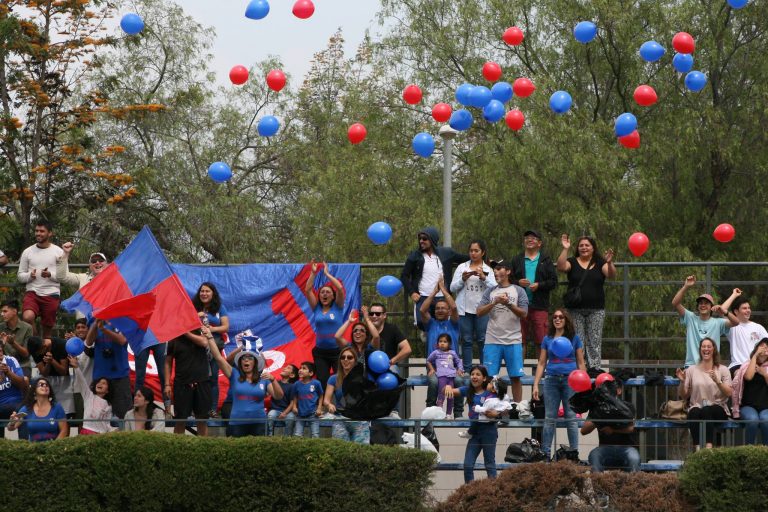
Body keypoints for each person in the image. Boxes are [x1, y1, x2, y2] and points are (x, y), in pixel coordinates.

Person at [532, 308, 587, 459]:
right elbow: (542, 363)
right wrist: (536, 384)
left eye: (561, 317)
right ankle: (545, 454)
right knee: (550, 417)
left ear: (566, 320)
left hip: (570, 380)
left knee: (571, 417)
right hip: (551, 380)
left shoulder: (574, 338)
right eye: (555, 317)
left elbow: (581, 363)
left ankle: (573, 454)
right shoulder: (547, 339)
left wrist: (585, 385)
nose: (557, 319)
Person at [556, 234, 616, 371]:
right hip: (575, 310)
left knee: (594, 342)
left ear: (593, 248)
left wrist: (609, 262)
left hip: (596, 310)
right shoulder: (572, 261)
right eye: (581, 245)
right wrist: (565, 249)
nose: (584, 248)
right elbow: (560, 267)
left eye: (587, 245)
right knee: (578, 342)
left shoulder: (600, 262)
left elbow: (611, 275)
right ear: (577, 248)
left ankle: (594, 369)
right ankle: (579, 370)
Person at [207, 335, 282, 437]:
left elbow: (278, 396)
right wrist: (210, 337)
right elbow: (218, 358)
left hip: (259, 423)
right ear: (240, 362)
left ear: (255, 362)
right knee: (236, 452)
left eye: (250, 358)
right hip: (237, 423)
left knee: (260, 452)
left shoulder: (264, 378)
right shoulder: (234, 374)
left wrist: (273, 380)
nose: (246, 360)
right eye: (243, 358)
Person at [476, 260, 528, 402]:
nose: (496, 271)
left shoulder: (519, 290)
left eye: (499, 268)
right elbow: (479, 312)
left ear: (508, 271)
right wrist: (494, 302)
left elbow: (524, 313)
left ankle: (517, 408)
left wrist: (508, 303)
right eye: (495, 269)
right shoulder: (490, 291)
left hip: (513, 341)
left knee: (515, 377)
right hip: (492, 340)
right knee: (490, 377)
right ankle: (491, 406)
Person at [401, 227, 468, 331]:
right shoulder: (414, 256)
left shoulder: (446, 253)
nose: (421, 241)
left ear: (432, 240)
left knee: (445, 326)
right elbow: (404, 276)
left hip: (442, 297)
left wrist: (485, 260)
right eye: (420, 239)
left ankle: (443, 345)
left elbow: (466, 258)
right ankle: (428, 337)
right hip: (423, 297)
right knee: (422, 323)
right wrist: (412, 292)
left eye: (424, 239)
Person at [444, 365, 500, 483]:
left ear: (484, 378)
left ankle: (494, 494)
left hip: (489, 431)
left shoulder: (491, 391)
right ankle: (470, 494)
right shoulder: (467, 390)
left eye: (478, 374)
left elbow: (504, 407)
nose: (474, 377)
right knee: (468, 465)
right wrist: (447, 386)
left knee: (489, 464)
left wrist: (495, 414)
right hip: (474, 432)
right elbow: (448, 391)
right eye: (472, 374)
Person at [676, 337, 733, 450]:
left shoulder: (723, 369)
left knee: (707, 410)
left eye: (709, 346)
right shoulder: (691, 370)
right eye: (703, 346)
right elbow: (684, 395)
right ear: (700, 350)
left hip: (718, 407)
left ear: (713, 350)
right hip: (697, 405)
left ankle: (708, 448)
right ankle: (697, 448)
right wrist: (682, 382)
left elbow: (729, 392)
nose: (706, 349)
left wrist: (718, 382)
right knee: (694, 412)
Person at [420, 276, 465, 417]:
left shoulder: (453, 324)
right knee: (433, 383)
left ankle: (457, 413)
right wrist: (434, 292)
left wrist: (444, 290)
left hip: (452, 368)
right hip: (434, 367)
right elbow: (422, 310)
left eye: (443, 308)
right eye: (437, 308)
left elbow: (454, 306)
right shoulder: (431, 323)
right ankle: (431, 412)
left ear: (448, 312)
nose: (439, 310)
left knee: (459, 381)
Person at [511, 230, 558, 360]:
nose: (530, 240)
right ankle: (518, 372)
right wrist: (518, 282)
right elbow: (509, 281)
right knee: (519, 340)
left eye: (533, 238)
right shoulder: (517, 259)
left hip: (540, 306)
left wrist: (539, 285)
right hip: (519, 306)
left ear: (539, 243)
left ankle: (542, 372)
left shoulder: (545, 260)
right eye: (527, 238)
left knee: (541, 341)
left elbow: (553, 282)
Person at [672, 276, 739, 367]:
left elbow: (736, 322)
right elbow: (675, 303)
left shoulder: (718, 322)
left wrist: (725, 312)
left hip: (712, 366)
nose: (703, 305)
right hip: (692, 366)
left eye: (706, 303)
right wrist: (686, 286)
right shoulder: (691, 318)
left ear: (711, 306)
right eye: (701, 303)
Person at [450, 239, 496, 369]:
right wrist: (462, 279)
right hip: (464, 310)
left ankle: (483, 369)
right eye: (471, 251)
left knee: (482, 340)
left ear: (483, 252)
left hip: (482, 310)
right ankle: (467, 369)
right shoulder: (462, 267)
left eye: (476, 251)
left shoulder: (488, 269)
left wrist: (484, 277)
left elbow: (495, 288)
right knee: (466, 340)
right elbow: (452, 287)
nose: (473, 253)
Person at [580, 380, 640, 472]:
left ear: (619, 390)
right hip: (605, 448)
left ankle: (633, 486)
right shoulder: (598, 407)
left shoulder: (627, 406)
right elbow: (584, 431)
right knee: (594, 455)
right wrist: (598, 414)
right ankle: (598, 485)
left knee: (634, 458)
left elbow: (631, 428)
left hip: (626, 448)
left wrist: (613, 430)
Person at [16, 220, 64, 337]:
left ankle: (44, 346)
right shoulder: (28, 252)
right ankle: (36, 341)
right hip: (33, 292)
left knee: (47, 329)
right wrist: (29, 276)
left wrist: (50, 275)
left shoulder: (59, 252)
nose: (38, 233)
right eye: (37, 231)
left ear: (50, 233)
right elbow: (20, 275)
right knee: (27, 317)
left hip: (51, 293)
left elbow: (64, 276)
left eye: (42, 231)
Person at [303, 261, 346, 387]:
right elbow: (308, 289)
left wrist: (327, 274)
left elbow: (339, 288)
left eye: (328, 292)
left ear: (333, 296)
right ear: (319, 296)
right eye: (322, 292)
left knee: (340, 380)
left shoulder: (338, 307)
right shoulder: (316, 308)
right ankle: (322, 405)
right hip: (320, 353)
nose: (325, 294)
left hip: (337, 351)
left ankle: (340, 404)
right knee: (322, 381)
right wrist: (313, 273)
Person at [191, 282, 229, 418]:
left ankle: (212, 409)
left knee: (213, 378)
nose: (204, 294)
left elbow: (225, 327)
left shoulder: (220, 308)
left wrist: (212, 329)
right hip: (196, 346)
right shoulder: (194, 307)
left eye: (207, 291)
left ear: (213, 294)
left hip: (215, 346)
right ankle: (195, 408)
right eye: (202, 291)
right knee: (196, 377)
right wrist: (197, 317)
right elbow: (186, 323)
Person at [165, 325, 211, 436]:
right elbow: (167, 362)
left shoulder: (200, 330)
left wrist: (186, 333)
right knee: (180, 419)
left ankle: (204, 449)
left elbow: (205, 342)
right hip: (182, 382)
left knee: (202, 419)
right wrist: (167, 384)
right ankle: (178, 450)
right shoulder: (173, 338)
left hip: (202, 381)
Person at [368, 302, 411, 418]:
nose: (374, 316)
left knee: (394, 372)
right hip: (368, 367)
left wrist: (393, 360)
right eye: (371, 313)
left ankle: (394, 410)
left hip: (388, 367)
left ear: (384, 315)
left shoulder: (392, 329)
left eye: (377, 313)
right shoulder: (364, 330)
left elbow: (407, 349)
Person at [84, 319, 131, 419]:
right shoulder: (94, 317)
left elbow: (122, 340)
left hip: (119, 375)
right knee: (98, 415)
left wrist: (104, 329)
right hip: (100, 376)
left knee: (123, 415)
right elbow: (88, 342)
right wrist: (95, 324)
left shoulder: (123, 318)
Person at [324, 346, 370, 444]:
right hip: (340, 418)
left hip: (359, 419)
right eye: (343, 357)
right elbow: (326, 400)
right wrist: (329, 405)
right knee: (340, 450)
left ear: (355, 360)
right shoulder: (333, 379)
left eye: (349, 357)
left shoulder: (363, 377)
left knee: (361, 451)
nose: (346, 360)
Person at [27, 335, 75, 420]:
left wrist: (52, 361)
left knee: (65, 414)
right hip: (48, 381)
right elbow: (44, 373)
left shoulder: (61, 345)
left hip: (64, 381)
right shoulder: (35, 351)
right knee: (49, 412)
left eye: (39, 353)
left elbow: (63, 371)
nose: (39, 355)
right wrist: (48, 363)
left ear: (44, 347)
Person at [8, 376, 69, 441]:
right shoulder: (26, 409)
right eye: (41, 385)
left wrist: (53, 447)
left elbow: (64, 431)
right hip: (33, 448)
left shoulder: (57, 407)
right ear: (34, 390)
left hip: (53, 448)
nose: (45, 386)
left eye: (47, 385)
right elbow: (11, 428)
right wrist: (12, 422)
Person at [731, 338, 768, 444]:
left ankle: (765, 452)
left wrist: (764, 374)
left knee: (766, 420)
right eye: (761, 346)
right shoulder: (747, 365)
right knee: (753, 420)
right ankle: (749, 449)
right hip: (748, 406)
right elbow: (748, 377)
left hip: (765, 407)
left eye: (767, 347)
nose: (764, 349)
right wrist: (755, 356)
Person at [68, 355, 113, 435]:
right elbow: (82, 381)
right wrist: (76, 367)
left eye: (104, 383)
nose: (100, 384)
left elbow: (107, 424)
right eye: (99, 382)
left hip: (100, 435)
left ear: (107, 391)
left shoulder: (108, 405)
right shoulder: (89, 396)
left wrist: (113, 430)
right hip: (86, 431)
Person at [724, 295, 768, 375]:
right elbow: (722, 310)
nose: (748, 310)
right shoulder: (731, 326)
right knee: (741, 374)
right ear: (736, 311)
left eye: (749, 308)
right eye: (744, 308)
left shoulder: (758, 327)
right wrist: (734, 295)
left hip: (757, 365)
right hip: (738, 365)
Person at [426, 333, 463, 419]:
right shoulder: (436, 353)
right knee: (441, 395)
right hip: (441, 376)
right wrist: (432, 369)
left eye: (445, 342)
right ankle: (439, 413)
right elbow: (428, 361)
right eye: (440, 341)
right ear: (437, 343)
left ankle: (449, 414)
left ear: (449, 344)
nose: (442, 343)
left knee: (450, 395)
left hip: (451, 376)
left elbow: (458, 361)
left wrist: (460, 370)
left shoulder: (452, 353)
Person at [0, 343, 28, 438]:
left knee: (23, 412)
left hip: (16, 402)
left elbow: (22, 383)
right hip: (1, 404)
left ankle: (24, 447)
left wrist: (8, 373)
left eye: (0, 351)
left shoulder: (11, 360)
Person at [0, 299, 33, 378]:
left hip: (22, 365)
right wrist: (2, 343)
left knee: (24, 380)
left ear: (14, 311)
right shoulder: (0, 327)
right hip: (4, 364)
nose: (1, 314)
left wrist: (13, 343)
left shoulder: (27, 328)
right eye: (1, 312)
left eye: (5, 311)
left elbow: (26, 354)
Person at [292, 361, 323, 438]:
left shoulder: (316, 383)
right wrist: (294, 406)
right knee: (297, 435)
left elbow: (321, 395)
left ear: (311, 373)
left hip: (313, 414)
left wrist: (319, 408)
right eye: (300, 368)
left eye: (304, 368)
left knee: (315, 435)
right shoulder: (296, 384)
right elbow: (295, 396)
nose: (300, 370)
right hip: (300, 414)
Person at [267, 364, 298, 436]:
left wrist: (285, 413)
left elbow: (292, 402)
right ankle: (269, 436)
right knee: (271, 415)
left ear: (292, 375)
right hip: (275, 409)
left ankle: (287, 438)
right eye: (285, 367)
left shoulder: (292, 386)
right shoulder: (275, 383)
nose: (284, 368)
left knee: (291, 417)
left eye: (288, 368)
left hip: (288, 411)